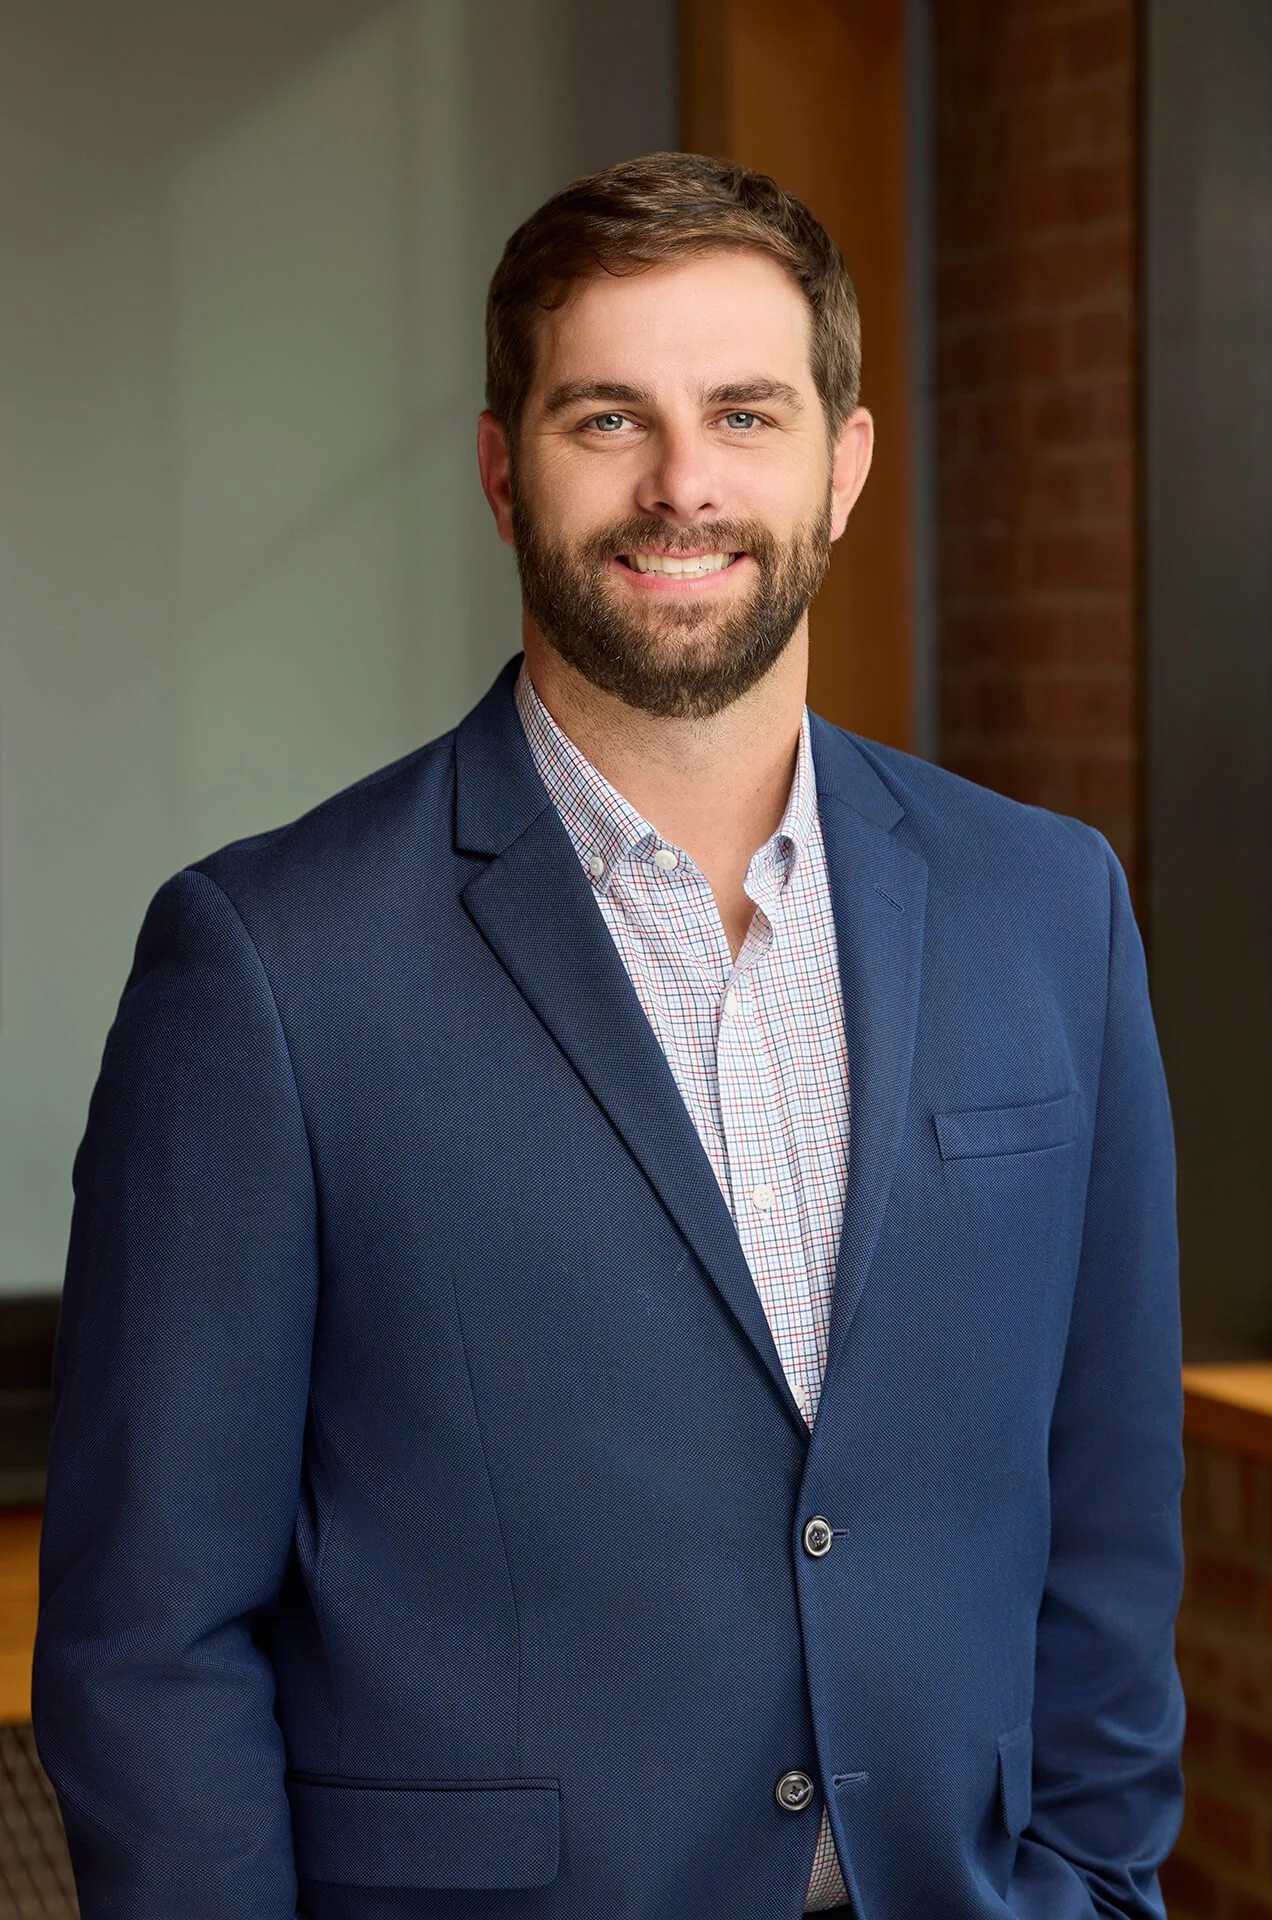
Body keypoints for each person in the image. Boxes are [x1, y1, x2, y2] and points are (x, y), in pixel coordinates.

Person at [32, 152, 1185, 1920]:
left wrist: (1097, 1889)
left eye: (745, 412)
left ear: (844, 465)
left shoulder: (1049, 908)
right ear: (504, 472)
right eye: (604, 419)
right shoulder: (264, 965)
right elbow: (150, 1640)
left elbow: (1107, 1511)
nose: (682, 486)